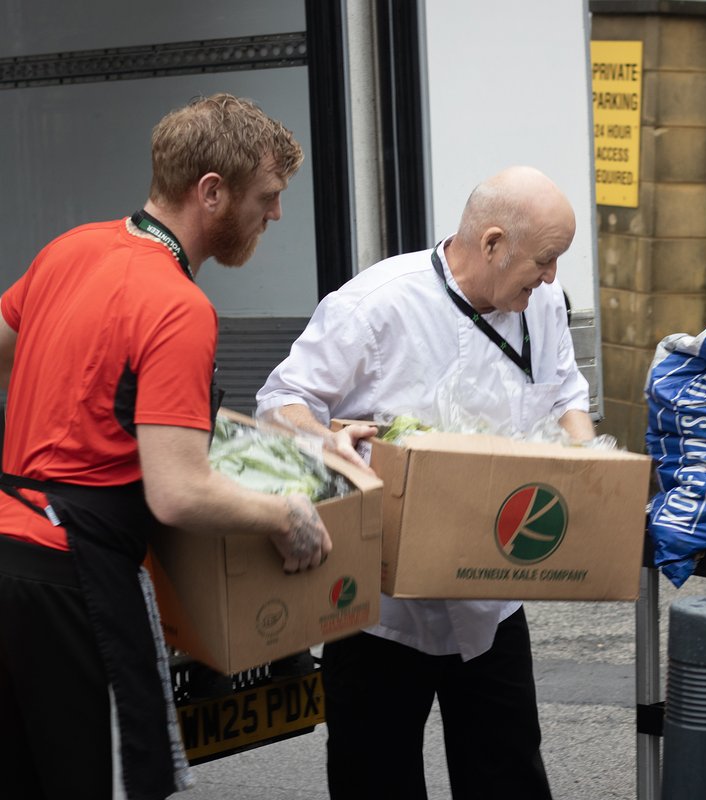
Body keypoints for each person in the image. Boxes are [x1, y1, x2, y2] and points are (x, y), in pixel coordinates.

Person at [0, 93, 332, 800]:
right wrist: (287, 514)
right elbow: (177, 491)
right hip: (77, 581)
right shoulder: (180, 309)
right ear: (211, 192)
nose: (275, 215)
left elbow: (5, 350)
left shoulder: (71, 249)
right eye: (267, 197)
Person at [256, 164, 593, 799]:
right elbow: (281, 400)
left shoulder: (542, 304)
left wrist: (592, 466)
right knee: (375, 779)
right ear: (493, 243)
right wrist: (327, 441)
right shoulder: (377, 304)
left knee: (509, 777)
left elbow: (566, 392)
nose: (552, 277)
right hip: (379, 605)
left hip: (493, 592)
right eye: (546, 259)